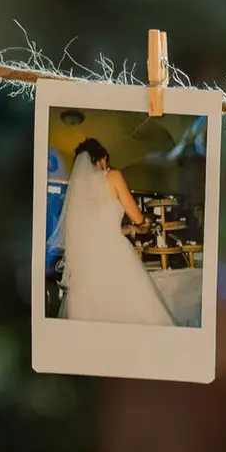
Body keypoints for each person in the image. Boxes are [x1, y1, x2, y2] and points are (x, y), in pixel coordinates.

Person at [57, 137, 174, 325]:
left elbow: (105, 230)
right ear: (102, 158)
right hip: (115, 258)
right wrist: (146, 222)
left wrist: (133, 229)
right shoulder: (112, 176)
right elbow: (137, 217)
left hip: (87, 267)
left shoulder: (79, 196)